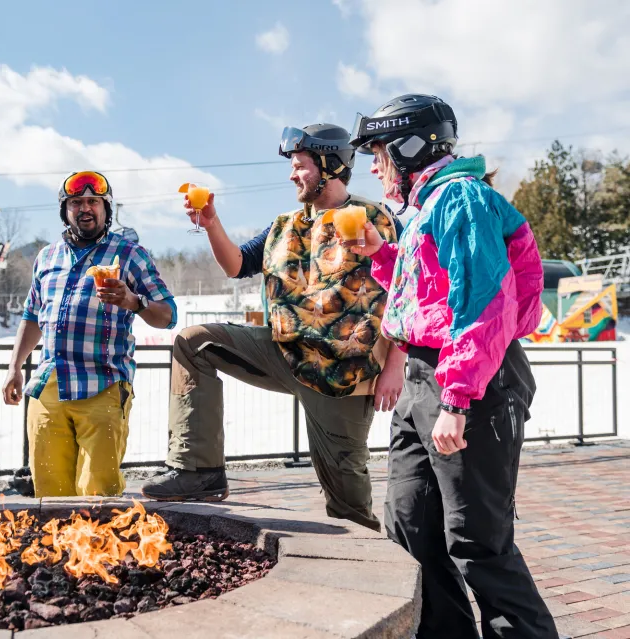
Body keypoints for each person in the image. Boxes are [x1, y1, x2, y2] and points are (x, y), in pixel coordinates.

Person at [348, 93, 557, 637]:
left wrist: (456, 400)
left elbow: (484, 304)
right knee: (413, 529)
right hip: (424, 376)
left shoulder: (460, 197)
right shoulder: (427, 206)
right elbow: (431, 292)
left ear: (408, 147)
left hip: (468, 381)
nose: (372, 166)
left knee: (477, 544)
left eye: (378, 151)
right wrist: (380, 253)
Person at [141, 124, 405, 532]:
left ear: (329, 166)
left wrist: (396, 364)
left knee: (349, 507)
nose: (292, 175)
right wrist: (211, 223)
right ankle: (198, 469)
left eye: (299, 166)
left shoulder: (374, 218)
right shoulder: (283, 224)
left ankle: (375, 577)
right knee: (195, 342)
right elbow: (235, 265)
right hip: (282, 351)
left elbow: (409, 290)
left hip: (345, 374)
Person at [2, 171, 177, 497]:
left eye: (93, 202)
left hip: (104, 385)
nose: (85, 208)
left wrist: (132, 301)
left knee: (98, 498)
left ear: (106, 209)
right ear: (64, 210)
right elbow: (31, 316)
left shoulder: (129, 255)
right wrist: (14, 367)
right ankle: (56, 550)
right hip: (48, 387)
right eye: (76, 202)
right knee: (49, 498)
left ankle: (97, 549)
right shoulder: (47, 256)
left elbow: (168, 316)